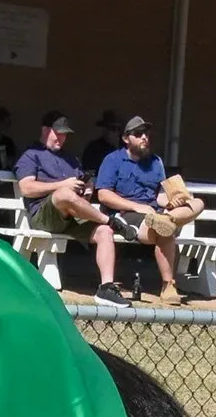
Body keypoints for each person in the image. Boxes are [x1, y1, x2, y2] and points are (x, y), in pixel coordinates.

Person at [14, 110, 143, 306]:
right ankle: (110, 220)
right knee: (64, 194)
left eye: (65, 134)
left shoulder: (70, 159)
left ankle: (106, 288)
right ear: (45, 130)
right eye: (58, 133)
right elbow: (26, 188)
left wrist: (87, 188)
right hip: (44, 215)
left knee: (104, 232)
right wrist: (63, 185)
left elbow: (81, 185)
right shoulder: (31, 155)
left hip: (73, 215)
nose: (62, 138)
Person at [94, 114, 210, 306]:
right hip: (127, 215)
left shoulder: (155, 161)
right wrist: (137, 207)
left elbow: (159, 196)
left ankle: (169, 219)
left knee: (197, 203)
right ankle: (168, 285)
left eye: (146, 134)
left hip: (156, 213)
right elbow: (104, 195)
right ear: (126, 138)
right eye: (138, 134)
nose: (144, 138)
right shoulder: (113, 160)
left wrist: (173, 202)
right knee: (165, 230)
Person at [80, 109, 120, 174]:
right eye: (110, 128)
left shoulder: (124, 146)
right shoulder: (93, 147)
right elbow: (89, 170)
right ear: (104, 129)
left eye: (117, 129)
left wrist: (116, 146)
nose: (114, 132)